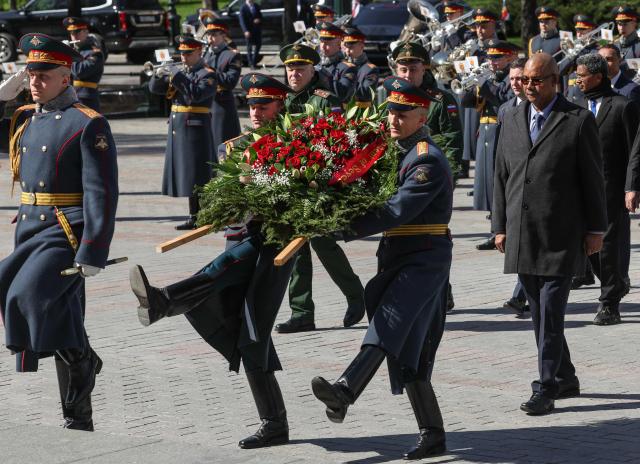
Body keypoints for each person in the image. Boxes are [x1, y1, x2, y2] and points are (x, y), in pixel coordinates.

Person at [130, 73, 297, 450]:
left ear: (280, 105)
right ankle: (275, 423)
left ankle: (166, 299)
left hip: (277, 243)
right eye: (251, 104)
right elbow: (221, 201)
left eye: (264, 104)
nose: (255, 111)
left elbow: (301, 198)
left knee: (250, 322)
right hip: (242, 237)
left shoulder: (296, 145)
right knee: (250, 332)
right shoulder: (233, 148)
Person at [311, 76, 453, 461]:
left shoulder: (425, 157)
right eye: (390, 110)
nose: (393, 118)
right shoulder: (393, 150)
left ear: (422, 114)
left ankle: (345, 389)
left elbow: (398, 209)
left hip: (425, 256)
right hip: (399, 253)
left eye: (403, 112)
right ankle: (433, 435)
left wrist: (343, 227)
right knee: (409, 348)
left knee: (389, 322)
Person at [0, 33, 118, 430]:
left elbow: (102, 192)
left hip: (66, 230)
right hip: (32, 230)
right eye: (31, 73)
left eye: (44, 74)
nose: (35, 81)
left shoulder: (87, 122)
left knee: (27, 295)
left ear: (65, 77)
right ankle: (78, 406)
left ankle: (82, 360)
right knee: (34, 298)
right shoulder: (27, 117)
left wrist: (93, 251)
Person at [492, 53, 607, 415]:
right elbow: (500, 176)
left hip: (561, 234)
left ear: (556, 81)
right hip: (522, 235)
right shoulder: (510, 117)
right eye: (525, 80)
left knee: (550, 313)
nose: (528, 86)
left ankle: (545, 387)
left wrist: (596, 229)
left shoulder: (577, 120)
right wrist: (498, 226)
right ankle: (566, 376)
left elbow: (593, 180)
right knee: (540, 313)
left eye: (537, 80)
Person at [275, 43, 366, 333]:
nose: (294, 74)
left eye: (300, 68)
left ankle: (356, 296)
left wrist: (324, 179)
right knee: (295, 249)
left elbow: (341, 144)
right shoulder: (283, 102)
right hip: (290, 185)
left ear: (313, 69)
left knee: (323, 244)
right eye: (290, 68)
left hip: (319, 185)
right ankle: (302, 312)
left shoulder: (326, 100)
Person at [573, 53, 639, 325]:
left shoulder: (623, 106)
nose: (577, 80)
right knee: (584, 245)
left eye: (582, 75)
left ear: (598, 77)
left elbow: (636, 148)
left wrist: (631, 187)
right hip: (577, 188)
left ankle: (609, 303)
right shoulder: (573, 105)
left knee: (610, 245)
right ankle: (617, 282)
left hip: (610, 188)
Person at [148, 35, 217, 230]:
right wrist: (159, 74)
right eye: (181, 53)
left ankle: (202, 215)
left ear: (199, 52)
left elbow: (195, 95)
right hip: (178, 128)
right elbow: (155, 90)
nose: (183, 57)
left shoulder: (208, 74)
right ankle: (194, 216)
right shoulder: (182, 73)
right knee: (187, 174)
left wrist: (177, 75)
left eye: (188, 53)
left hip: (196, 129)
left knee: (198, 174)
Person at [461, 40, 518, 250]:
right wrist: (469, 82)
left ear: (510, 57)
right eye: (490, 58)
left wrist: (484, 84)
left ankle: (502, 231)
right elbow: (467, 102)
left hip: (500, 130)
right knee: (487, 183)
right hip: (485, 131)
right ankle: (495, 231)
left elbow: (503, 98)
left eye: (497, 57)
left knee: (499, 183)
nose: (491, 62)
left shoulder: (510, 78)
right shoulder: (489, 78)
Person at [392, 41, 463, 178]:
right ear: (396, 71)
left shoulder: (440, 100)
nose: (407, 75)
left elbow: (452, 139)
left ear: (423, 70)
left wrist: (449, 174)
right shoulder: (392, 98)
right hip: (397, 173)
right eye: (403, 70)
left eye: (413, 70)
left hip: (431, 171)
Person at [499, 58, 531, 318]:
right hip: (514, 189)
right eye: (511, 79)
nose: (516, 83)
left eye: (520, 78)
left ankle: (520, 296)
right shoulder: (505, 110)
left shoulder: (540, 108)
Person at [461, 9, 499, 174]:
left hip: (491, 100)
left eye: (484, 26)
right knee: (473, 141)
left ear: (493, 25)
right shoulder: (473, 49)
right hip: (474, 98)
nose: (479, 30)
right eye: (477, 26)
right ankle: (479, 179)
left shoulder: (498, 47)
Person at [202, 16, 242, 151]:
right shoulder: (206, 54)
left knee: (222, 149)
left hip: (221, 107)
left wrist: (209, 71)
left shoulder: (231, 55)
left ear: (223, 35)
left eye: (213, 35)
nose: (210, 39)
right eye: (208, 35)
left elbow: (230, 82)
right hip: (205, 106)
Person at [62, 17, 104, 112]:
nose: (74, 36)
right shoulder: (75, 51)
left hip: (86, 97)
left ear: (86, 32)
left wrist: (68, 54)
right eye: (72, 33)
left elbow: (79, 71)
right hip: (70, 96)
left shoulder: (94, 53)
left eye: (77, 32)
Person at [316, 21, 356, 104]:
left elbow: (342, 94)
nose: (323, 46)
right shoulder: (317, 64)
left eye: (327, 43)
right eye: (321, 42)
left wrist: (321, 72)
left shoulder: (347, 68)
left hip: (337, 113)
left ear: (338, 44)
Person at [341, 26, 379, 108]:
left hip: (360, 113)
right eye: (346, 47)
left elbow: (365, 93)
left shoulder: (370, 69)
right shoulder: (341, 65)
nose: (347, 51)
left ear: (361, 46)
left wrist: (340, 87)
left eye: (351, 47)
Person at [613, 5, 640, 74]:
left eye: (625, 24)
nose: (621, 27)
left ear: (634, 23)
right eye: (619, 24)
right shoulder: (614, 45)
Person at [239, 0, 262, 69]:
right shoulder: (243, 8)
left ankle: (254, 62)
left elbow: (260, 16)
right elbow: (242, 21)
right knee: (249, 47)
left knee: (258, 45)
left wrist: (259, 19)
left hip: (256, 30)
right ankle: (251, 64)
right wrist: (245, 31)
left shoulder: (256, 6)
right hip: (248, 31)